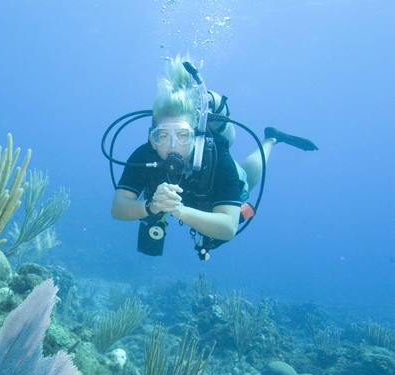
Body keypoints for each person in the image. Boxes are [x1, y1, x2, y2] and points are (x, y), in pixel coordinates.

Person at [111, 55, 317, 259]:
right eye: (163, 136)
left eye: (182, 135)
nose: (173, 145)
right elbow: (118, 208)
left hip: (209, 188)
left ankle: (270, 139)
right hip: (174, 200)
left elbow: (228, 227)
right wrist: (151, 206)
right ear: (151, 138)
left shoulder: (217, 157)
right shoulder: (143, 156)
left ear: (196, 136)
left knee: (244, 181)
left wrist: (178, 210)